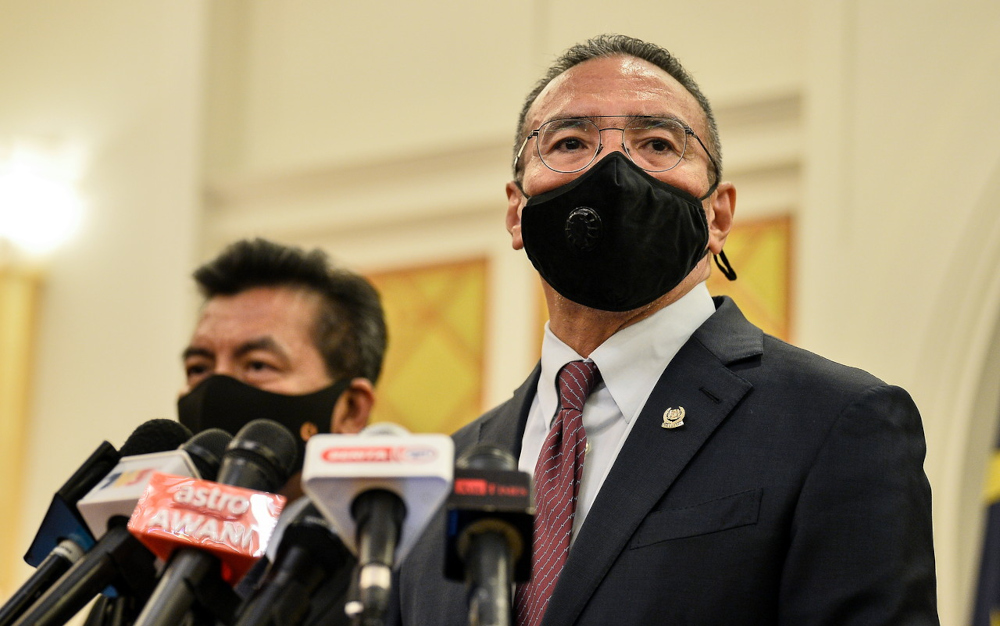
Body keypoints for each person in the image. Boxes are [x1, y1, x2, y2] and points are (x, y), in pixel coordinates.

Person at [391, 34, 938, 625]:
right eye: (571, 142)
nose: (613, 169)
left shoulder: (835, 423)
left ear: (719, 215)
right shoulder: (440, 476)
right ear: (515, 212)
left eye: (656, 143)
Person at [179, 237, 387, 625]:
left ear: (351, 409)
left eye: (257, 365)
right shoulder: (161, 570)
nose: (214, 390)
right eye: (199, 368)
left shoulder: (395, 577)